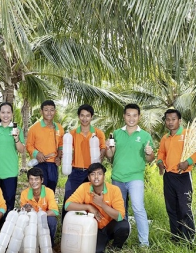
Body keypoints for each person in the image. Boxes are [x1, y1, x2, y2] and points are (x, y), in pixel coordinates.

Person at [105, 103, 154, 247]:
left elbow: (150, 159)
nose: (131, 118)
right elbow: (109, 156)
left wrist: (149, 153)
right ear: (124, 116)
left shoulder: (145, 135)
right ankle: (121, 239)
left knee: (138, 208)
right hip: (118, 177)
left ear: (139, 117)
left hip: (135, 178)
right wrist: (108, 148)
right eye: (128, 115)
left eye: (134, 115)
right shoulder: (116, 133)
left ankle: (144, 243)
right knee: (121, 210)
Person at [157, 109, 196, 243]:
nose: (170, 122)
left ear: (179, 120)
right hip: (169, 176)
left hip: (183, 176)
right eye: (168, 119)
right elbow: (161, 154)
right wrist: (160, 163)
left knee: (184, 207)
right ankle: (176, 237)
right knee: (171, 208)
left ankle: (189, 239)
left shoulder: (188, 134)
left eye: (173, 119)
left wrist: (187, 162)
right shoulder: (165, 138)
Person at [65, 163, 130, 253]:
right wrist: (89, 207)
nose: (96, 177)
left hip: (109, 227)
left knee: (124, 226)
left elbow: (120, 216)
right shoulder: (84, 187)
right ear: (88, 178)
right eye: (93, 174)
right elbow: (67, 205)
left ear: (104, 176)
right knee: (97, 251)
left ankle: (115, 248)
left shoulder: (114, 190)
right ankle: (102, 242)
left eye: (99, 174)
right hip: (92, 229)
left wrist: (102, 204)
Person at [62, 104, 106, 220]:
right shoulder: (72, 134)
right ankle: (67, 226)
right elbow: (65, 150)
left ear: (91, 117)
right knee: (69, 198)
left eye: (87, 116)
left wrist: (102, 152)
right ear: (78, 116)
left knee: (92, 199)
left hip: (92, 173)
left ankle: (92, 228)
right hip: (75, 171)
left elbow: (103, 148)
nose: (85, 119)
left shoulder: (98, 133)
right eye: (82, 115)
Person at [26, 100, 64, 192]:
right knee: (40, 189)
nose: (49, 113)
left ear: (55, 112)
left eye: (52, 110)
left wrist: (59, 157)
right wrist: (37, 154)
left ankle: (49, 206)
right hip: (39, 163)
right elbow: (29, 145)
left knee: (51, 189)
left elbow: (61, 145)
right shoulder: (34, 128)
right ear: (41, 112)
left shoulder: (59, 128)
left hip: (53, 164)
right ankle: (38, 206)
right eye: (46, 110)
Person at [20, 167, 58, 247]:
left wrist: (39, 214)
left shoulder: (48, 192)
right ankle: (28, 245)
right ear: (28, 181)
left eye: (36, 179)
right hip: (31, 220)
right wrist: (25, 210)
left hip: (44, 218)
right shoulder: (24, 193)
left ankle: (49, 244)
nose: (34, 182)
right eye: (31, 179)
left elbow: (54, 211)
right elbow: (22, 212)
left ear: (42, 180)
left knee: (51, 220)